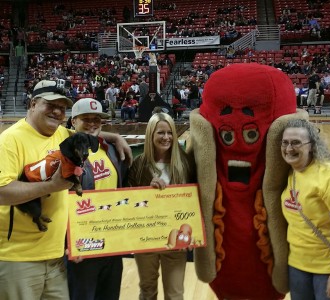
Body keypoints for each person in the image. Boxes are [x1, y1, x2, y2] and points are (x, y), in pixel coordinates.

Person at [0, 80, 132, 300]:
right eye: (50, 104)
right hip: (19, 259)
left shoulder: (60, 134)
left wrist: (116, 137)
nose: (57, 111)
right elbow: (2, 192)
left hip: (56, 258)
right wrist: (52, 186)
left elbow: (86, 134)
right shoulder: (9, 140)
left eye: (62, 107)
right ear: (33, 104)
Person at [128, 112, 195, 300]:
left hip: (176, 242)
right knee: (147, 290)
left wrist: (193, 233)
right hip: (146, 240)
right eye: (160, 133)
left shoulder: (185, 163)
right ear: (151, 134)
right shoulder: (139, 164)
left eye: (169, 132)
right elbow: (128, 201)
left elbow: (194, 201)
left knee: (175, 294)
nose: (166, 137)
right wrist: (147, 192)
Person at [280, 119, 330, 300]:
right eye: (285, 142)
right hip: (297, 266)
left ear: (311, 146)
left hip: (328, 269)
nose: (289, 148)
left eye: (296, 142)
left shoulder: (329, 174)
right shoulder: (291, 172)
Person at [67, 98, 128, 300]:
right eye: (86, 119)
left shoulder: (109, 148)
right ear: (73, 121)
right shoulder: (63, 153)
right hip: (83, 244)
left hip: (112, 241)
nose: (93, 123)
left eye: (97, 119)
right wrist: (68, 242)